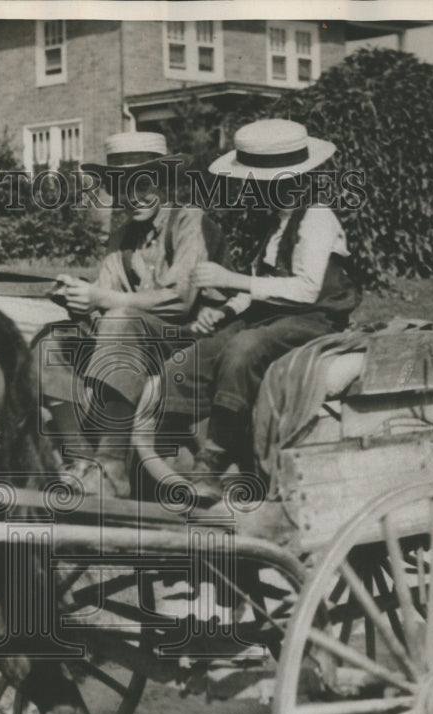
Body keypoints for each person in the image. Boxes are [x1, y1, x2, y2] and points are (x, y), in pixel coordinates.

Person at [163, 119, 362, 502]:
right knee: (199, 354)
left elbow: (305, 291)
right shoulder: (275, 223)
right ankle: (188, 447)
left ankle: (215, 460)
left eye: (259, 182)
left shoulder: (317, 218)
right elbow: (257, 285)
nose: (253, 189)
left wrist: (233, 281)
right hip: (273, 316)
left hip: (315, 319)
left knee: (243, 349)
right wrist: (224, 310)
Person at [36, 131, 234, 497]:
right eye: (125, 186)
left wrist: (102, 299)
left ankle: (111, 462)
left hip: (193, 337)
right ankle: (81, 461)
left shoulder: (189, 221)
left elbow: (180, 300)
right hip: (136, 336)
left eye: (146, 184)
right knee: (50, 340)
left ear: (163, 182)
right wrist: (79, 300)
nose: (136, 196)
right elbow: (105, 296)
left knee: (121, 320)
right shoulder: (123, 236)